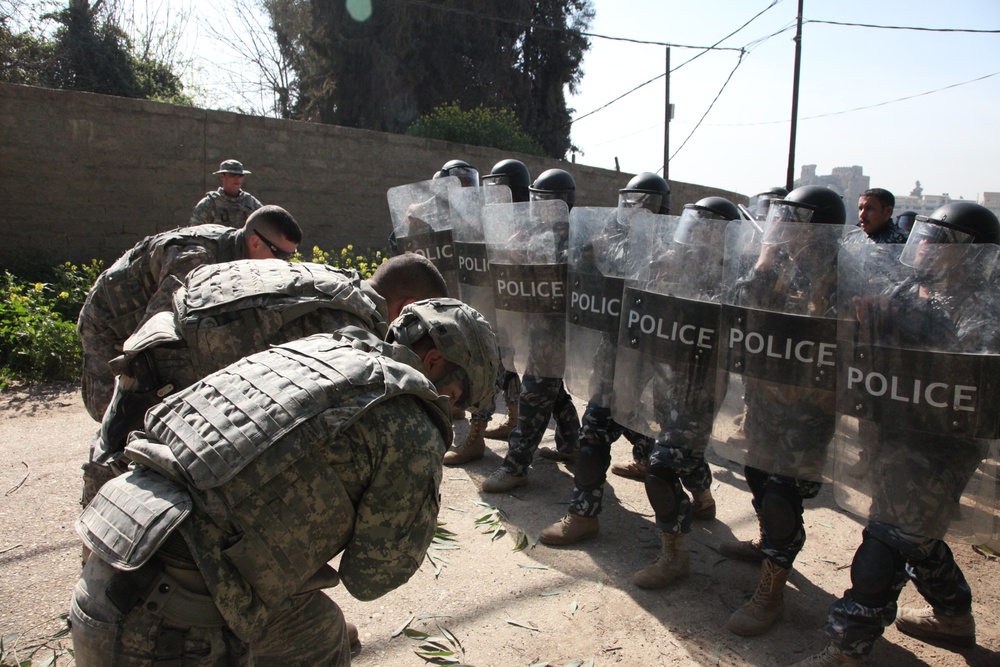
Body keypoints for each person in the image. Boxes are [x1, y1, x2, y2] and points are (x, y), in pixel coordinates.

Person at [71, 299, 499, 667]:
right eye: (458, 398)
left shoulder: (316, 349)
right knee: (320, 633)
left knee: (311, 622)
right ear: (434, 362)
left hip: (105, 559)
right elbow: (371, 578)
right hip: (160, 626)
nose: (453, 412)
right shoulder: (412, 424)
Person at [789, 202, 1000, 667]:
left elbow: (968, 373)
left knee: (885, 541)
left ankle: (848, 646)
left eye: (939, 240)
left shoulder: (983, 308)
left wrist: (907, 330)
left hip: (940, 445)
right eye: (924, 236)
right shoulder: (910, 287)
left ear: (972, 254)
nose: (923, 246)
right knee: (916, 536)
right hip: (894, 432)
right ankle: (954, 618)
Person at [88, 253, 448, 502]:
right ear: (406, 306)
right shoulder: (346, 327)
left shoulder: (334, 283)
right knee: (125, 516)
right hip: (165, 388)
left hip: (151, 348)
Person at [714, 185, 847, 636]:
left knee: (781, 493)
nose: (782, 227)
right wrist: (764, 261)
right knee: (757, 475)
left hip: (810, 404)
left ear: (816, 227)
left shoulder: (845, 274)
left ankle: (771, 590)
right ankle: (771, 542)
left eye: (793, 219)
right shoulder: (778, 265)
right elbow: (738, 305)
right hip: (767, 392)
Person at [77, 206, 302, 424]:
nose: (283, 264)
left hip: (142, 316)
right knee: (116, 412)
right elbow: (155, 330)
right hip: (107, 322)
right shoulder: (194, 259)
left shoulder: (237, 255)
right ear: (255, 242)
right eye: (281, 255)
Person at [482, 168, 581, 492]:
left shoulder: (575, 238)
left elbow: (562, 274)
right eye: (536, 200)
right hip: (537, 328)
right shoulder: (538, 234)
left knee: (534, 394)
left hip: (556, 333)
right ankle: (571, 443)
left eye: (544, 202)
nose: (537, 208)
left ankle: (515, 466)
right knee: (553, 393)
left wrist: (521, 255)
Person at [444, 159, 530, 464]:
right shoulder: (486, 218)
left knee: (496, 371)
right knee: (498, 369)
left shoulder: (528, 223)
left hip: (517, 312)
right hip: (490, 306)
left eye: (499, 186)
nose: (491, 193)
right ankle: (502, 424)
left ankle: (479, 435)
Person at [189, 159, 263, 228]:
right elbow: (196, 231)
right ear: (222, 176)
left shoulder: (251, 203)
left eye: (240, 175)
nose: (237, 179)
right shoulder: (210, 204)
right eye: (232, 175)